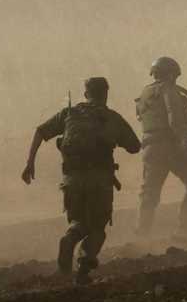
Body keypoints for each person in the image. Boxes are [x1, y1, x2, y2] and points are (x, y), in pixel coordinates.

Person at [21, 77, 141, 284]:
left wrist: (29, 163)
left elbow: (40, 131)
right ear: (105, 94)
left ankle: (68, 243)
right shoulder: (112, 118)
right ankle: (84, 267)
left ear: (86, 94)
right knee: (98, 228)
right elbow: (134, 147)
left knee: (78, 222)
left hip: (71, 180)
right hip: (99, 181)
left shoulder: (69, 114)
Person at [133, 56, 187, 239]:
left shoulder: (145, 94)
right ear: (170, 75)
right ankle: (182, 232)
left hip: (150, 148)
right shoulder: (168, 89)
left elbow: (153, 119)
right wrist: (185, 142)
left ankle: (141, 235)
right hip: (171, 146)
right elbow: (173, 119)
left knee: (149, 194)